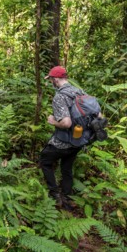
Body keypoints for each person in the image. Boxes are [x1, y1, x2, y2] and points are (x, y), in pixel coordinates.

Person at [40, 66, 84, 211]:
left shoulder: (60, 96)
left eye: (51, 79)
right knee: (67, 167)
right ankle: (67, 197)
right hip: (78, 140)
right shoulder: (79, 91)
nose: (51, 81)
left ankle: (55, 195)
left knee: (45, 161)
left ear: (56, 79)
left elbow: (66, 123)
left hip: (63, 141)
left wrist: (53, 121)